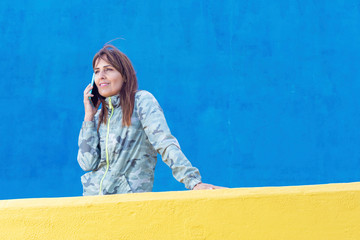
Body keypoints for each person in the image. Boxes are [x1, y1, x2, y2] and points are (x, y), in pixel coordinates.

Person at [77, 44, 224, 196]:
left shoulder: (141, 102)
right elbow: (87, 164)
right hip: (94, 206)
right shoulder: (96, 117)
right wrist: (88, 118)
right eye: (97, 71)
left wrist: (193, 182)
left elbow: (164, 142)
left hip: (128, 204)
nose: (101, 76)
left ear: (124, 75)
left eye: (108, 69)